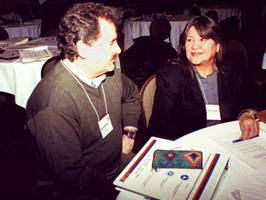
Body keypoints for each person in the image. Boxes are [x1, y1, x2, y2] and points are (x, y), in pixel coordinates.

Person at [25, 2, 141, 200]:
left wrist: (129, 134)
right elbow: (71, 175)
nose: (119, 49)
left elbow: (132, 94)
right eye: (111, 42)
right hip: (84, 187)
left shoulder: (109, 73)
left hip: (119, 162)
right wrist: (123, 191)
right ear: (83, 48)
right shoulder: (53, 104)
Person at [148, 16, 259, 140]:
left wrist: (246, 114)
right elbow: (161, 126)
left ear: (217, 46)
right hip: (189, 145)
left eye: (203, 39)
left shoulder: (232, 72)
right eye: (190, 40)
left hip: (228, 139)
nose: (195, 46)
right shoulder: (171, 76)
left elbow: (249, 100)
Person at [120, 18, 177, 89]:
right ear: (167, 34)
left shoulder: (140, 42)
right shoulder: (168, 49)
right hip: (150, 83)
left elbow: (124, 58)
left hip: (136, 79)